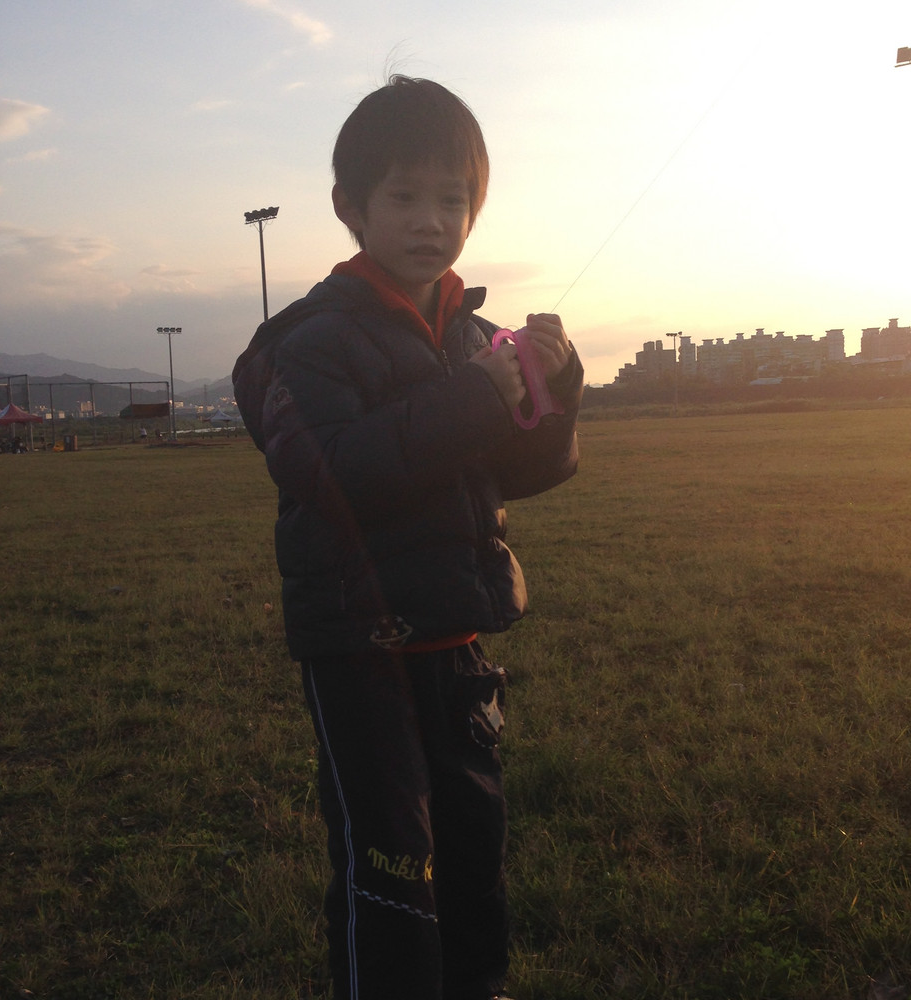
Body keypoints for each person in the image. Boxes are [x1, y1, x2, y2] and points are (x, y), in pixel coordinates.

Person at [234, 75, 583, 1000]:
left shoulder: (471, 336)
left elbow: (517, 473)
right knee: (392, 865)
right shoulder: (316, 339)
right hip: (362, 650)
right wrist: (473, 400)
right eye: (404, 196)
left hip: (456, 639)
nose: (432, 221)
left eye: (453, 199)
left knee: (471, 847)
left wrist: (557, 392)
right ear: (350, 206)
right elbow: (334, 471)